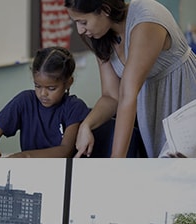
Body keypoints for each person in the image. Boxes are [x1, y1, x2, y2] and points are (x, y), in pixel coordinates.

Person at [66, 0, 196, 158]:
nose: (80, 30)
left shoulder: (146, 18)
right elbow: (111, 97)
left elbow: (128, 94)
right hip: (151, 110)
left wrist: (116, 163)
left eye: (83, 22)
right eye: (76, 23)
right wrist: (86, 125)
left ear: (105, 9)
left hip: (184, 99)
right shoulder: (102, 35)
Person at [0, 46, 89, 158]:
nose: (43, 93)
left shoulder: (74, 107)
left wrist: (27, 156)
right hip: (29, 170)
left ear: (68, 82)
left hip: (60, 171)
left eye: (51, 88)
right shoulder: (25, 101)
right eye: (37, 86)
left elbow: (65, 151)